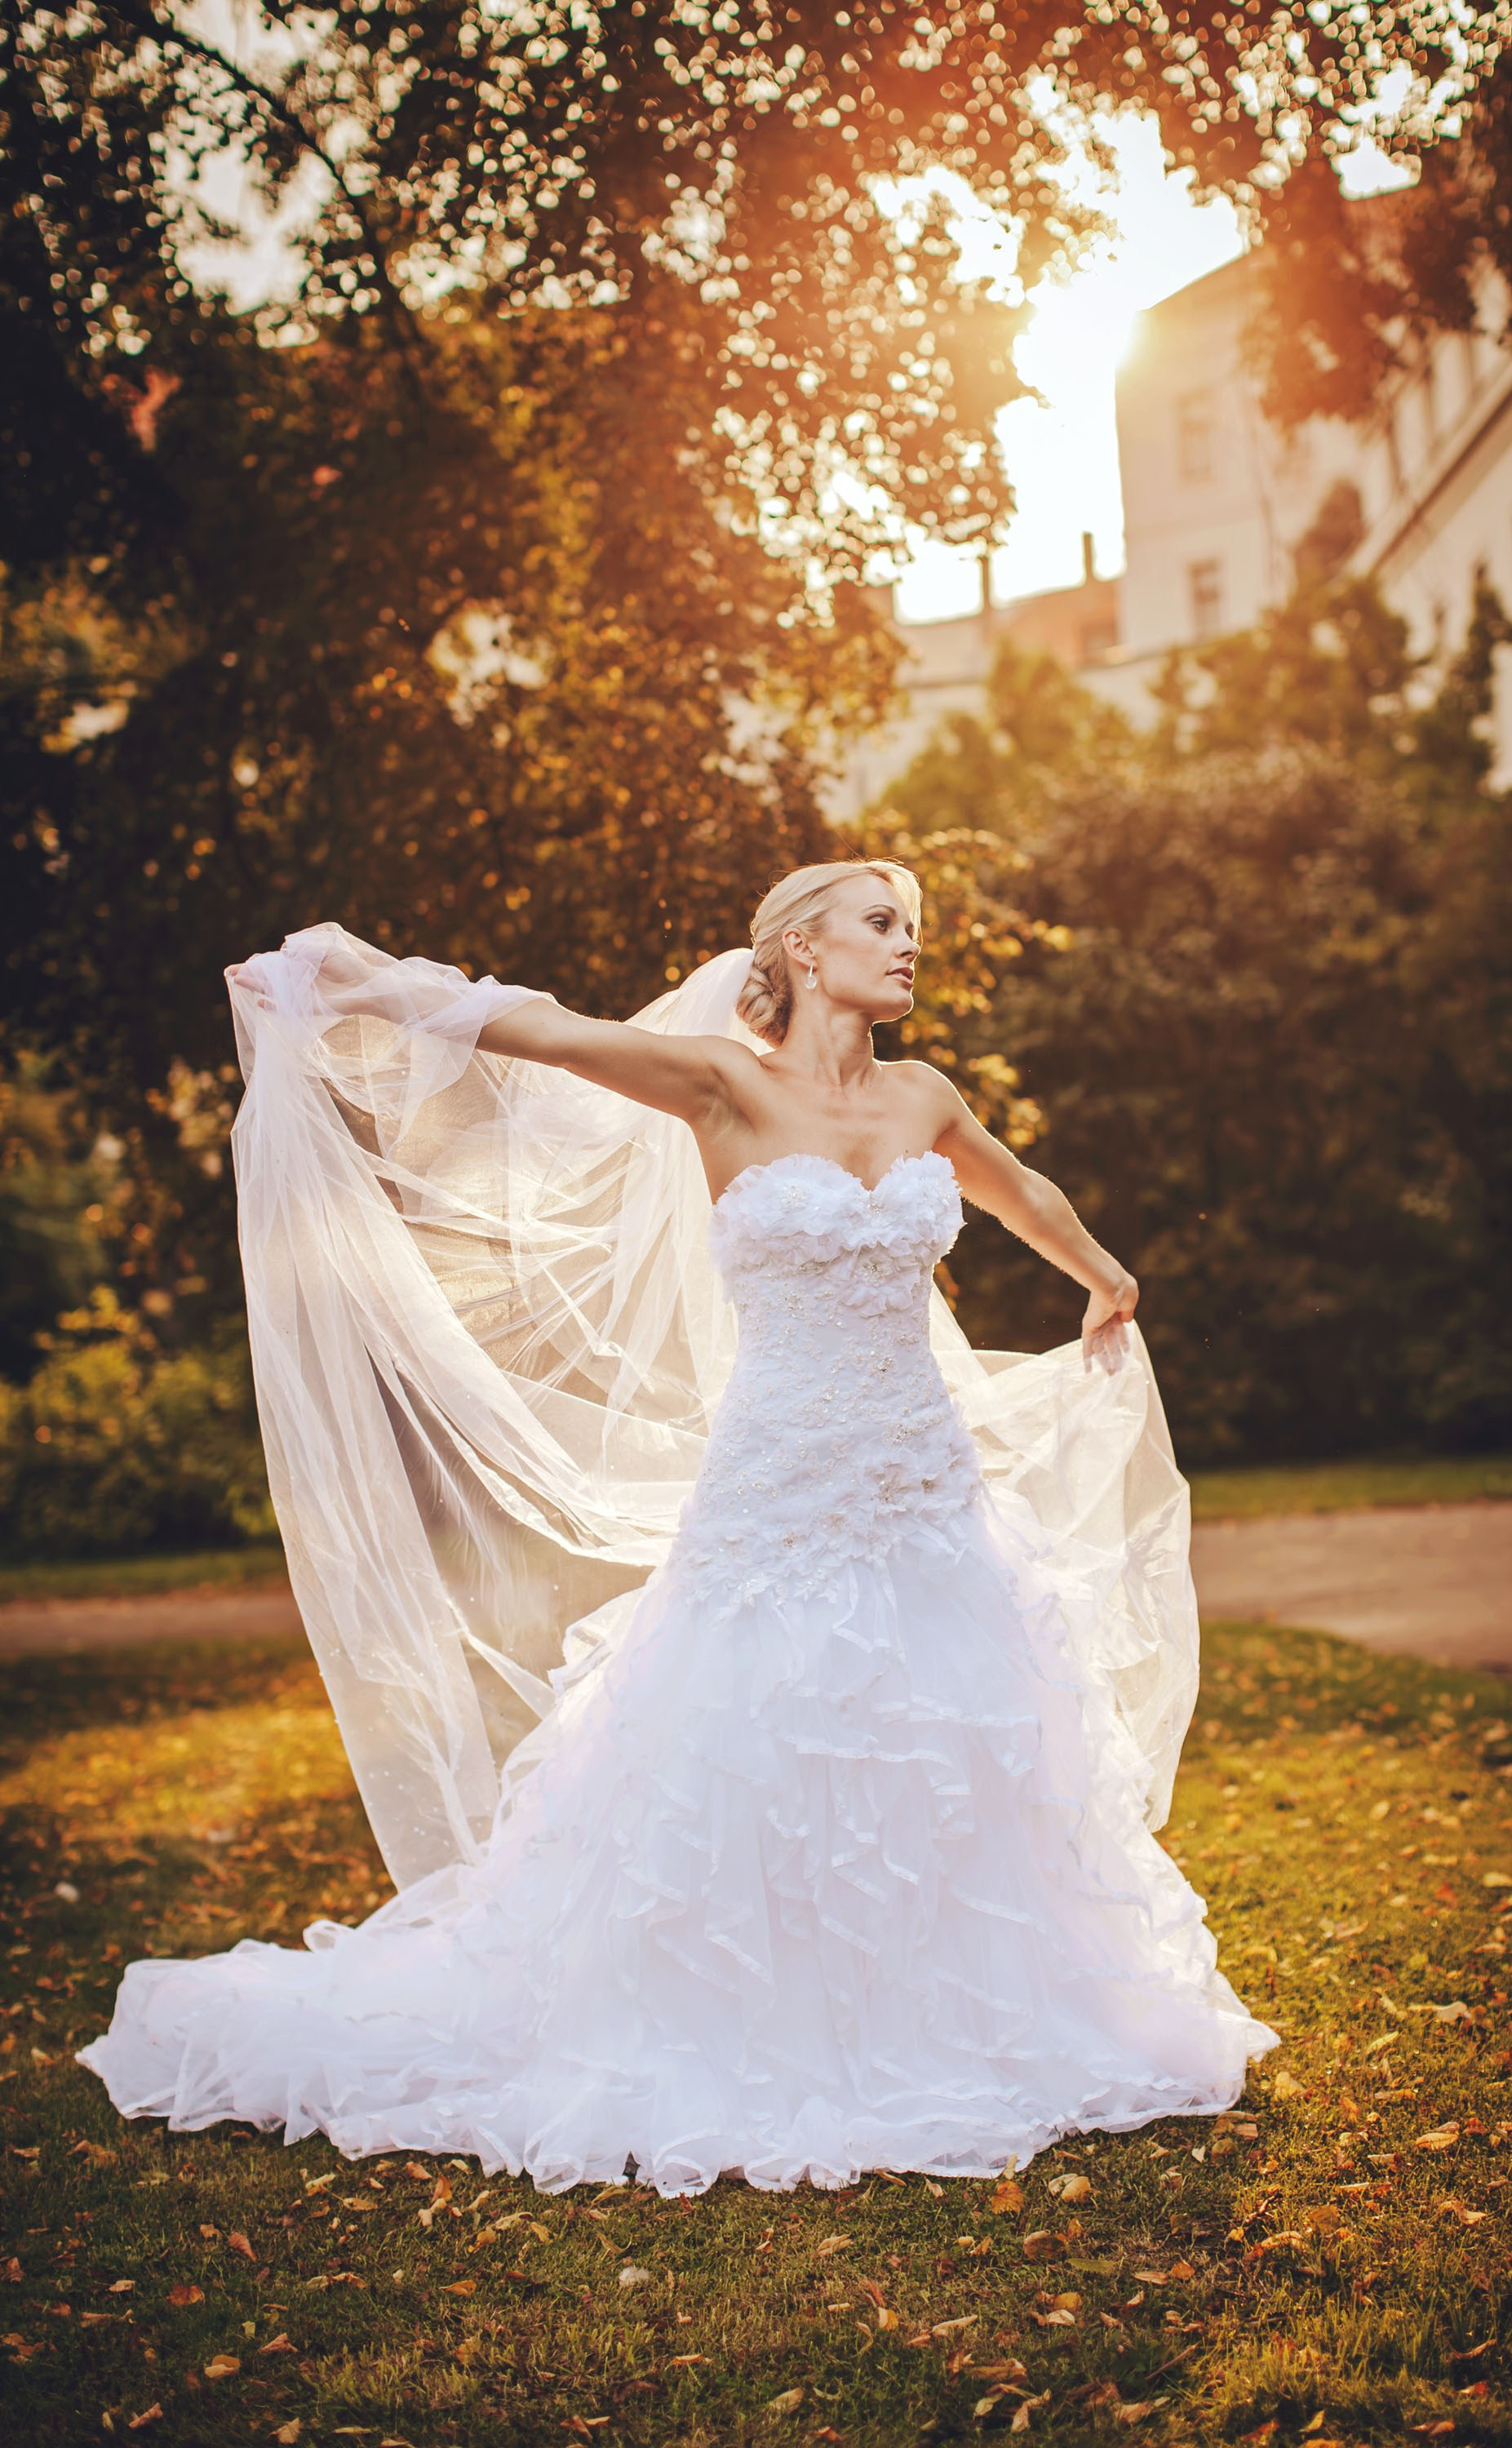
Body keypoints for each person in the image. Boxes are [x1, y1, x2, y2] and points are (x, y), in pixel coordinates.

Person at [79, 857, 1275, 2195]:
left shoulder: (924, 1097)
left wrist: (1104, 1277)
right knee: (752, 1729)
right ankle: (730, 2012)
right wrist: (362, 983)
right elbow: (544, 1032)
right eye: (883, 923)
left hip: (925, 1485)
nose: (909, 946)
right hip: (779, 1483)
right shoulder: (721, 1086)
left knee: (953, 1731)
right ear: (803, 948)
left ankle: (951, 2007)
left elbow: (1020, 1189)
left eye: (915, 929)